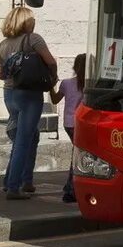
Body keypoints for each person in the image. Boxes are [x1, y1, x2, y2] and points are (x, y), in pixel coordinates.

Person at [0, 6, 58, 200]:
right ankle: (14, 187)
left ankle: (23, 181)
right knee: (23, 140)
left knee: (30, 137)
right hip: (29, 93)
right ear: (27, 22)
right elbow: (51, 61)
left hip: (9, 93)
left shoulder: (3, 44)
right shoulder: (34, 39)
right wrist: (53, 78)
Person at [50, 54, 85, 204]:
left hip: (68, 124)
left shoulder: (66, 83)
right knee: (77, 157)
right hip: (81, 124)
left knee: (76, 154)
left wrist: (51, 86)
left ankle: (69, 187)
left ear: (74, 67)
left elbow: (55, 99)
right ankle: (71, 190)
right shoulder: (89, 85)